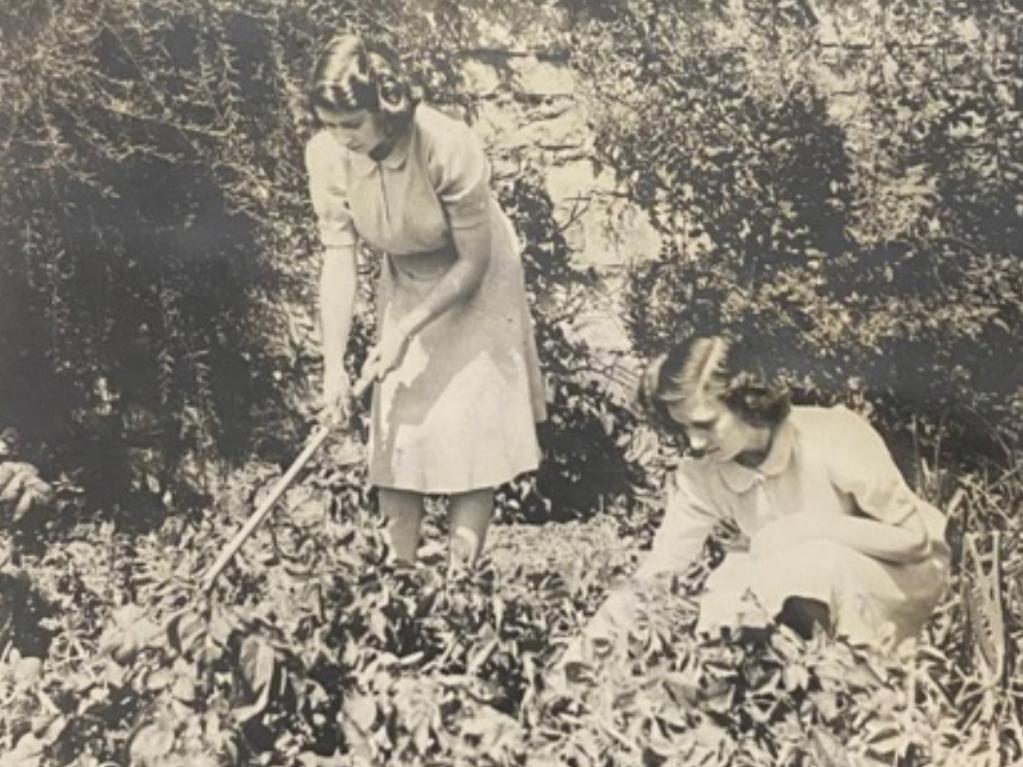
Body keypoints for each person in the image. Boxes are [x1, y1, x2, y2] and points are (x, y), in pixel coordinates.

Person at [303, 34, 546, 568]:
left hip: (476, 279)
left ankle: (460, 583)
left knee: (470, 426)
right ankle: (400, 576)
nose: (340, 138)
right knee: (398, 428)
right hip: (407, 276)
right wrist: (332, 367)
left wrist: (404, 329)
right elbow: (338, 257)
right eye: (330, 124)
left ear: (385, 110)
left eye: (352, 124)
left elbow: (472, 262)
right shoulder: (327, 156)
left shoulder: (445, 144)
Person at [580, 335, 949, 651]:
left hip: (901, 573)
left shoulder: (832, 435)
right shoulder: (704, 474)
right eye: (684, 428)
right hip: (801, 572)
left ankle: (861, 686)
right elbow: (662, 567)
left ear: (747, 401)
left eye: (706, 425)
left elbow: (913, 542)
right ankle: (786, 688)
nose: (693, 442)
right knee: (727, 585)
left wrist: (806, 528)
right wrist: (583, 655)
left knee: (810, 561)